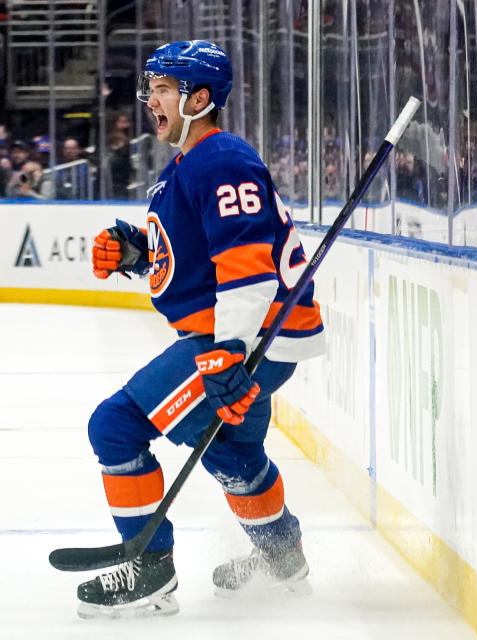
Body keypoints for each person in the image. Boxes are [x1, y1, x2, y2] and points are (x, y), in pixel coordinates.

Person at [76, 40, 325, 619]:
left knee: (116, 426)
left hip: (248, 336)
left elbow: (245, 262)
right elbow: (193, 264)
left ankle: (148, 573)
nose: (151, 100)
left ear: (200, 99)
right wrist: (136, 255)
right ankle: (282, 557)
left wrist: (228, 353)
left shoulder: (220, 159)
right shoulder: (188, 167)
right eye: (151, 88)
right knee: (234, 456)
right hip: (245, 335)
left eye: (163, 89)